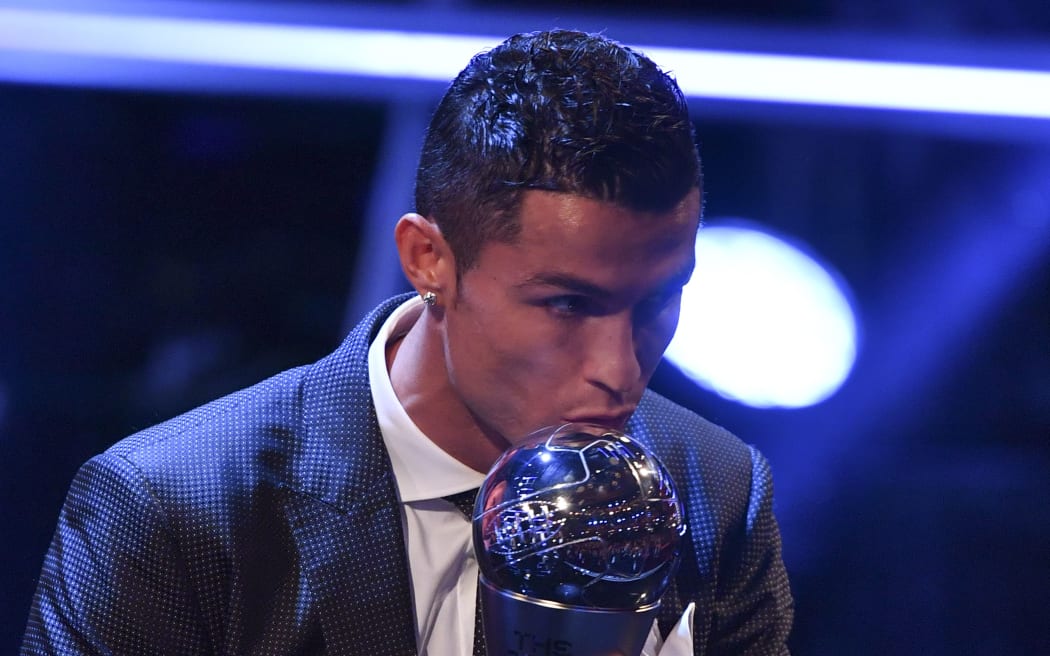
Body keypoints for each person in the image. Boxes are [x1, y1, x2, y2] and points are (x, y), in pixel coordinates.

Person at [22, 29, 792, 655]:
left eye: (660, 301)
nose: (619, 370)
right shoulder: (175, 509)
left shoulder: (716, 491)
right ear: (430, 259)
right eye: (566, 304)